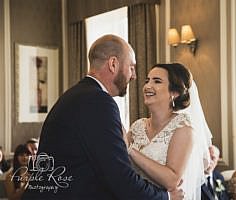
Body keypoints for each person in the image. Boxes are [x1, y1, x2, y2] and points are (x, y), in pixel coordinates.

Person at [22, 34, 183, 200]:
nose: (134, 76)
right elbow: (119, 177)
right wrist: (166, 197)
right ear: (113, 64)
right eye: (131, 67)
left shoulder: (78, 94)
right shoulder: (98, 102)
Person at [127, 63, 212, 200]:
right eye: (147, 80)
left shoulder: (183, 128)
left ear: (174, 93)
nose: (148, 86)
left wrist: (131, 150)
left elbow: (172, 180)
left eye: (157, 81)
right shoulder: (137, 126)